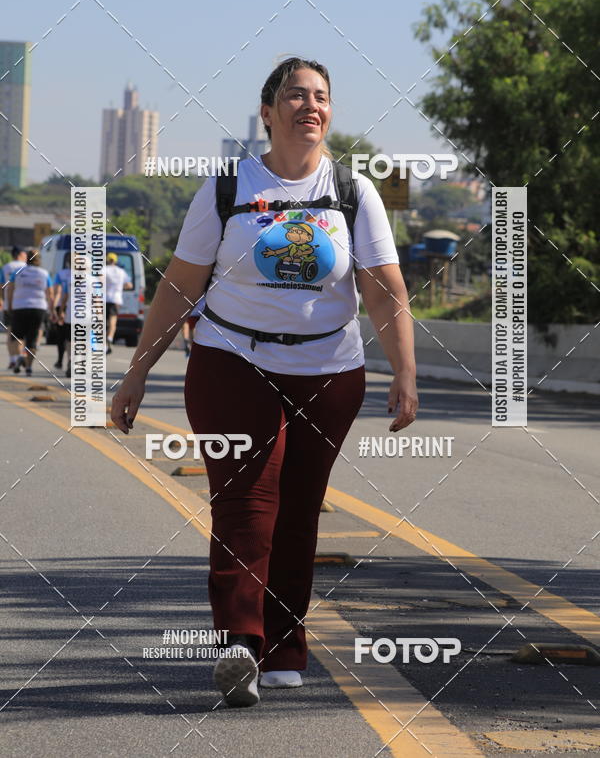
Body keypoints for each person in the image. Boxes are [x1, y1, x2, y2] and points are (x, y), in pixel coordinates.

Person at [111, 57, 418, 708]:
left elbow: (385, 290)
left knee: (300, 507)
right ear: (268, 113)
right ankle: (240, 645)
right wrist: (134, 377)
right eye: (295, 95)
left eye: (321, 97)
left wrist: (406, 373)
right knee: (248, 498)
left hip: (328, 370)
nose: (310, 105)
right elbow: (177, 290)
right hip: (230, 361)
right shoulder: (226, 188)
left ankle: (284, 646)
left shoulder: (353, 192)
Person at [6, 250, 56, 376]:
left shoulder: (17, 272)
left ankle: (19, 357)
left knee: (17, 336)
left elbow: (10, 289)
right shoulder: (44, 273)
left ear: (27, 259)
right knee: (32, 339)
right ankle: (28, 367)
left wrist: (10, 305)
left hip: (20, 306)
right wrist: (52, 309)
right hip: (38, 308)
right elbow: (50, 293)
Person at [0, 246, 27, 369]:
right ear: (20, 254)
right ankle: (22, 356)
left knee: (10, 333)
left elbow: (1, 286)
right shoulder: (28, 268)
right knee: (23, 334)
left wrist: (1, 299)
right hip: (23, 304)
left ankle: (13, 359)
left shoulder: (5, 268)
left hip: (8, 305)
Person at [104, 252, 133, 353]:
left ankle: (103, 343)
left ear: (107, 260)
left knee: (103, 323)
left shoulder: (104, 270)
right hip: (116, 300)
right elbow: (129, 285)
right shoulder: (121, 272)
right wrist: (121, 287)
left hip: (104, 299)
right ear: (115, 261)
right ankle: (110, 338)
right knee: (113, 322)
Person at [52, 253, 71, 369]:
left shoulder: (61, 274)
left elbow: (58, 293)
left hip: (62, 306)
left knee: (62, 337)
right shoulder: (85, 275)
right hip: (77, 309)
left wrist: (55, 309)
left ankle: (60, 360)